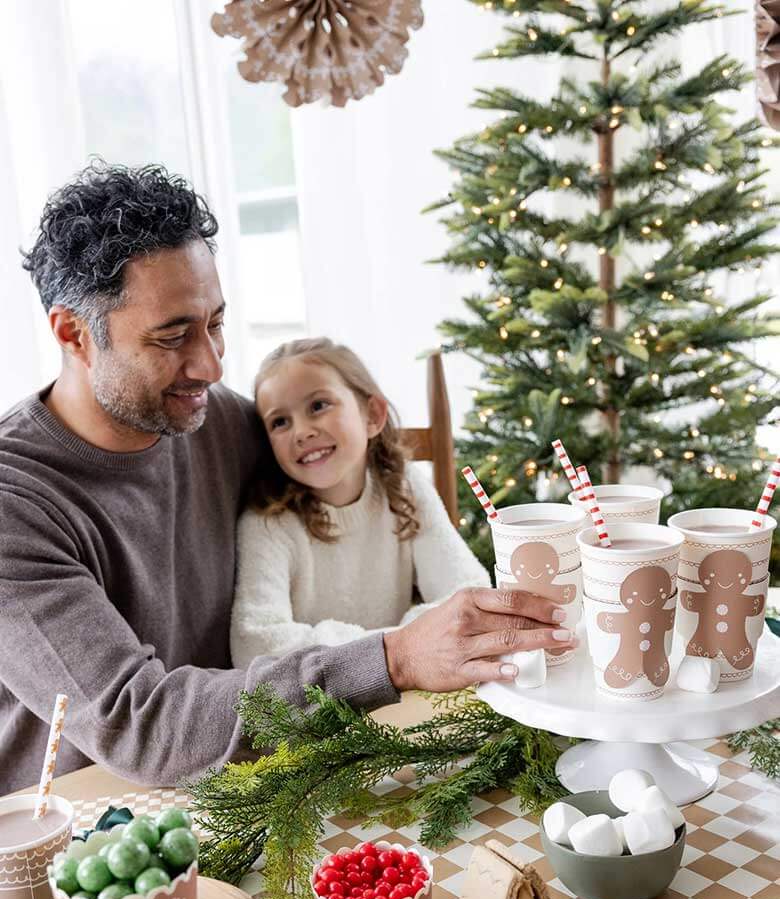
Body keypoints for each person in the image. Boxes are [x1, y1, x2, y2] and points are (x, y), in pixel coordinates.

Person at [0, 161, 577, 795]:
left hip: (248, 788)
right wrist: (397, 655)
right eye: (172, 337)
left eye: (216, 323)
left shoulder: (212, 420)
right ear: (73, 333)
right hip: (68, 833)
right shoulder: (16, 504)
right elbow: (140, 724)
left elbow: (358, 470)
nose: (212, 366)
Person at [231, 337, 491, 664]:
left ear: (372, 415)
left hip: (408, 689)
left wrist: (395, 651)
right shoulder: (268, 523)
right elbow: (254, 643)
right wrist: (399, 646)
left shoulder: (406, 486)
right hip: (317, 704)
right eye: (280, 422)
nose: (301, 432)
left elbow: (469, 590)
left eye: (318, 406)